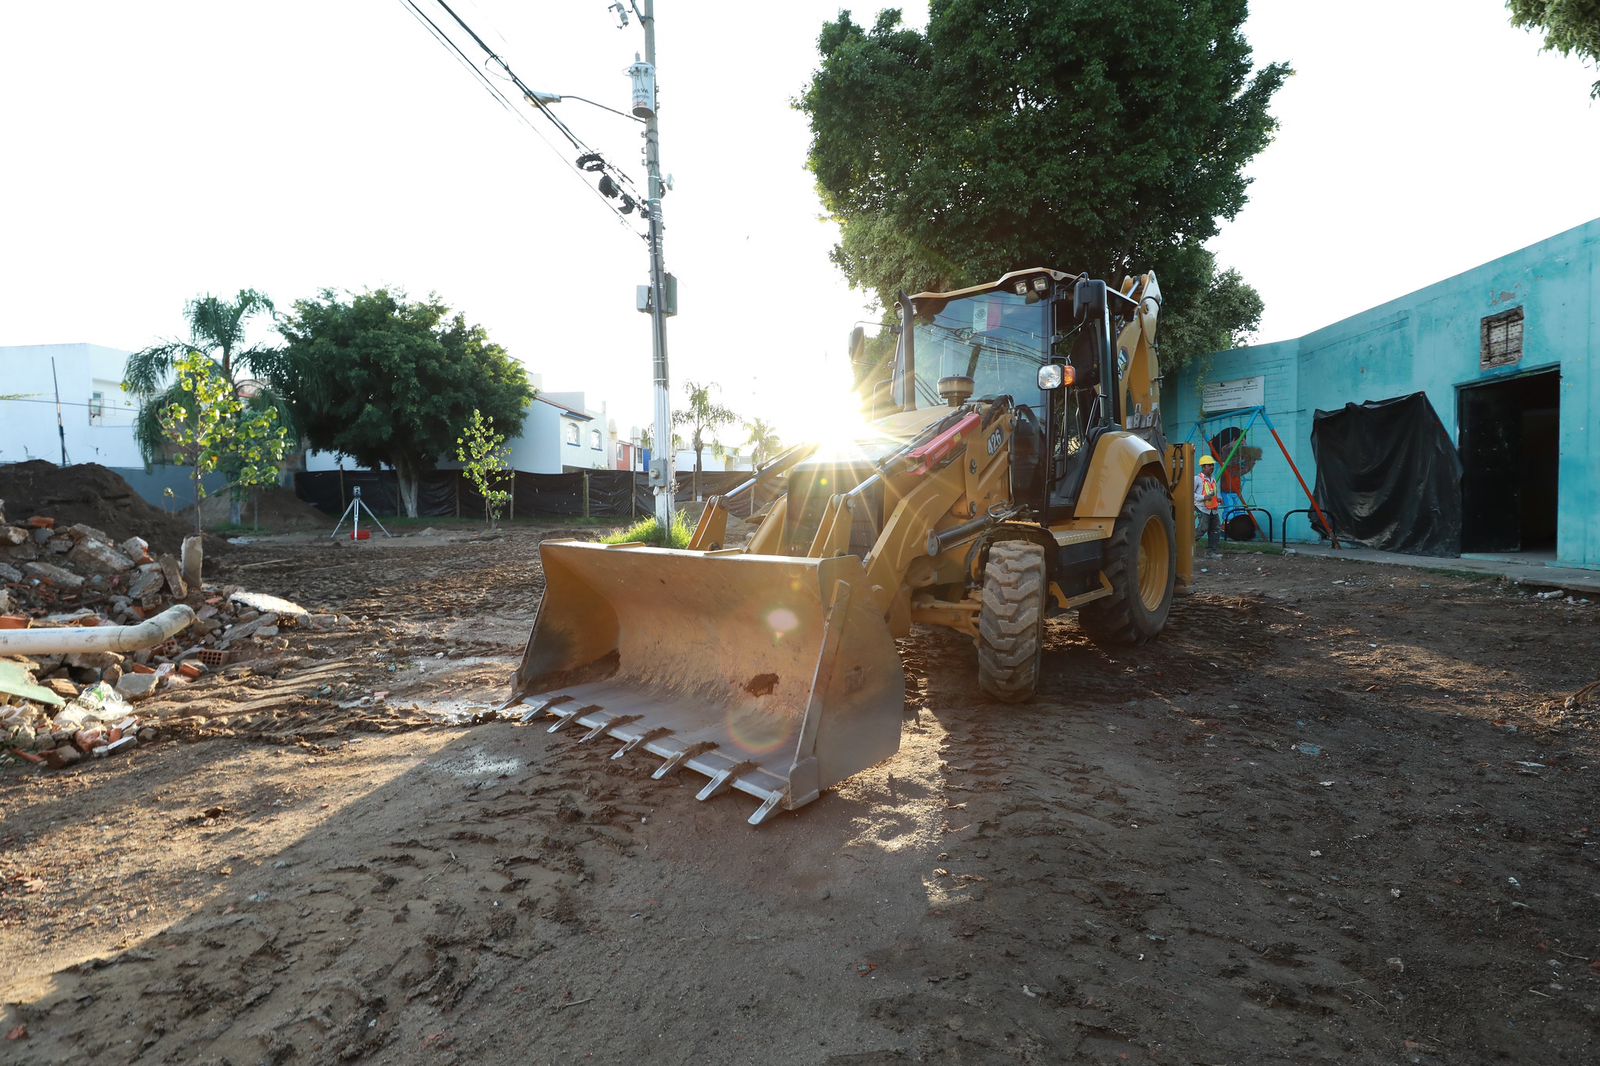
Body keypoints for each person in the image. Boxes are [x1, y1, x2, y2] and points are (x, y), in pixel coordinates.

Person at [1194, 454, 1222, 556]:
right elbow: (1190, 493)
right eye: (1209, 465)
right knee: (1202, 529)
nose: (1212, 467)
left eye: (1212, 465)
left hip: (1213, 509)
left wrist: (1219, 498)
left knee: (1215, 529)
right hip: (1202, 508)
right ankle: (1187, 546)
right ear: (1203, 467)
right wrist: (1203, 497)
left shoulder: (1213, 479)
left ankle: (1211, 552)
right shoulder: (1197, 479)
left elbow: (1215, 492)